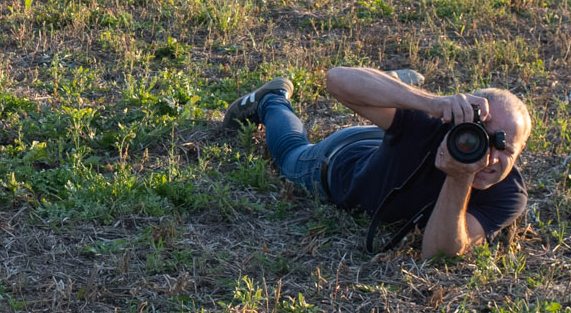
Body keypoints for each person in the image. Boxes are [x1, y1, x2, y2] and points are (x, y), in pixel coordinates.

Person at [224, 67, 530, 259]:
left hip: (386, 141)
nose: (486, 157)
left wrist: (459, 177)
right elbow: (336, 79)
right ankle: (272, 99)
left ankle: (389, 88)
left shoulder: (509, 194)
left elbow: (440, 253)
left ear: (521, 151)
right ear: (458, 127)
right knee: (290, 154)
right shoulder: (432, 123)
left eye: (504, 148)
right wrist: (430, 103)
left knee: (392, 112)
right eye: (475, 138)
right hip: (337, 160)